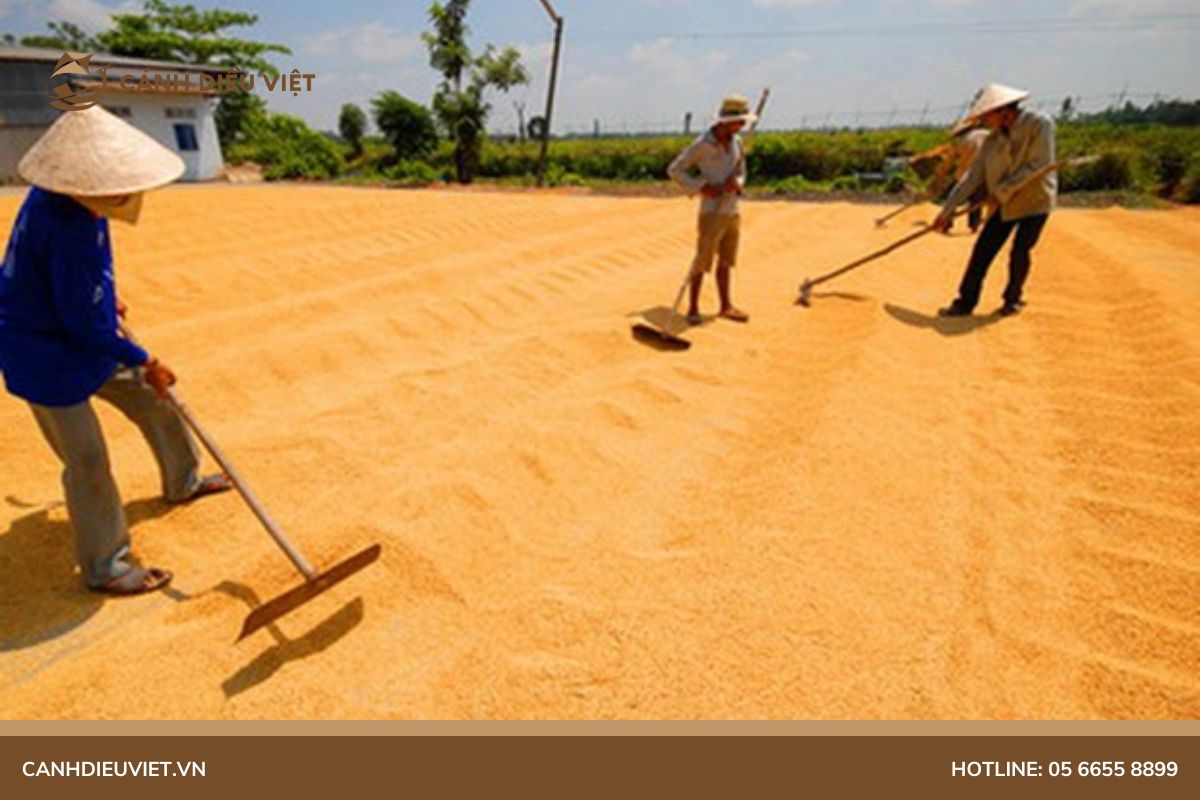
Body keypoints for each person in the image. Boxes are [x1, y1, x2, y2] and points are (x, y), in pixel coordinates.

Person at [0, 106, 231, 596]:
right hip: (42, 354)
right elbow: (82, 324)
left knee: (153, 399)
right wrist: (146, 359)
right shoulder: (66, 229)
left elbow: (84, 289)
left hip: (79, 328)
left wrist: (104, 293)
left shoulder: (71, 201)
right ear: (84, 184)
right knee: (86, 460)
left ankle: (183, 479)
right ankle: (107, 565)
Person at [933, 83, 1057, 318]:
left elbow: (1038, 166)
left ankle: (1012, 299)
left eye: (986, 116)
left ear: (1003, 111)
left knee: (1020, 250)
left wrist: (1001, 190)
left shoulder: (1040, 125)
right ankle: (965, 302)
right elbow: (972, 177)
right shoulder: (992, 140)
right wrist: (947, 210)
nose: (984, 122)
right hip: (1005, 203)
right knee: (983, 249)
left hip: (1035, 200)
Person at [667, 94, 756, 324]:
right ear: (726, 121)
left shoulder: (737, 142)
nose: (743, 125)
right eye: (739, 121)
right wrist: (702, 187)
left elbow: (741, 170)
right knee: (703, 259)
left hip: (731, 208)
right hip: (711, 210)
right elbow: (676, 170)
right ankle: (693, 308)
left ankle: (726, 305)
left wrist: (738, 183)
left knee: (727, 259)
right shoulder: (702, 145)